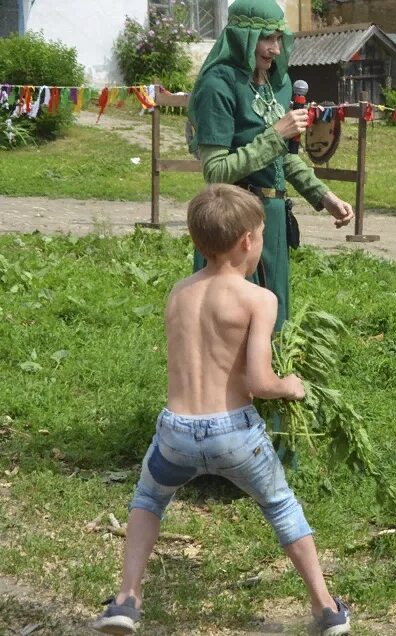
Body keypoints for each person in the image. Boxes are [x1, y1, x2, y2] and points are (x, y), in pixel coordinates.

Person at [91, 185, 350, 636]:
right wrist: (293, 387)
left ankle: (127, 599)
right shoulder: (258, 299)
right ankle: (326, 608)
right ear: (249, 241)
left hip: (176, 431)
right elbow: (259, 382)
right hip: (235, 434)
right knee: (282, 506)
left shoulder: (179, 292)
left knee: (149, 500)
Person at [188, 0, 354, 333]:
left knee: (272, 312)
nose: (275, 49)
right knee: (233, 320)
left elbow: (284, 156)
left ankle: (268, 377)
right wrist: (276, 135)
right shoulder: (219, 84)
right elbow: (216, 171)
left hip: (272, 218)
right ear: (242, 36)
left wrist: (324, 196)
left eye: (280, 38)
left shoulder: (275, 84)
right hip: (232, 221)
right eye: (267, 38)